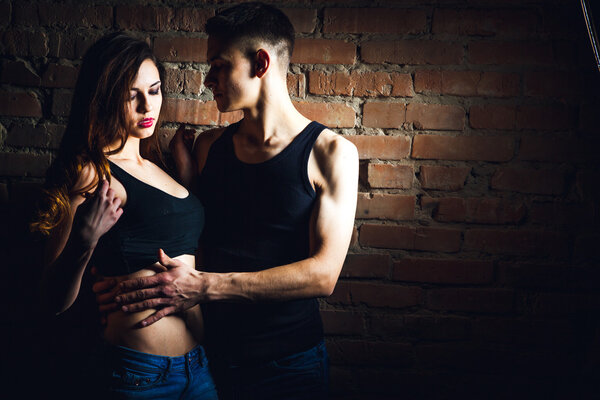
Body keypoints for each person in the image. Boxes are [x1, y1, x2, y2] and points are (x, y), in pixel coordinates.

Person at [95, 3, 359, 399]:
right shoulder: (208, 148)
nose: (207, 79)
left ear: (261, 63)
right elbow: (194, 238)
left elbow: (323, 275)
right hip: (210, 357)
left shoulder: (331, 153)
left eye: (218, 66)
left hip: (288, 362)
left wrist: (205, 287)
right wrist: (113, 280)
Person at [32, 32, 218, 399]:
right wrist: (84, 242)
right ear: (104, 99)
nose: (147, 106)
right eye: (131, 95)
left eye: (155, 90)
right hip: (139, 375)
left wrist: (189, 182)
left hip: (198, 367)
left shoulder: (160, 167)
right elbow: (52, 300)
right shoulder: (93, 172)